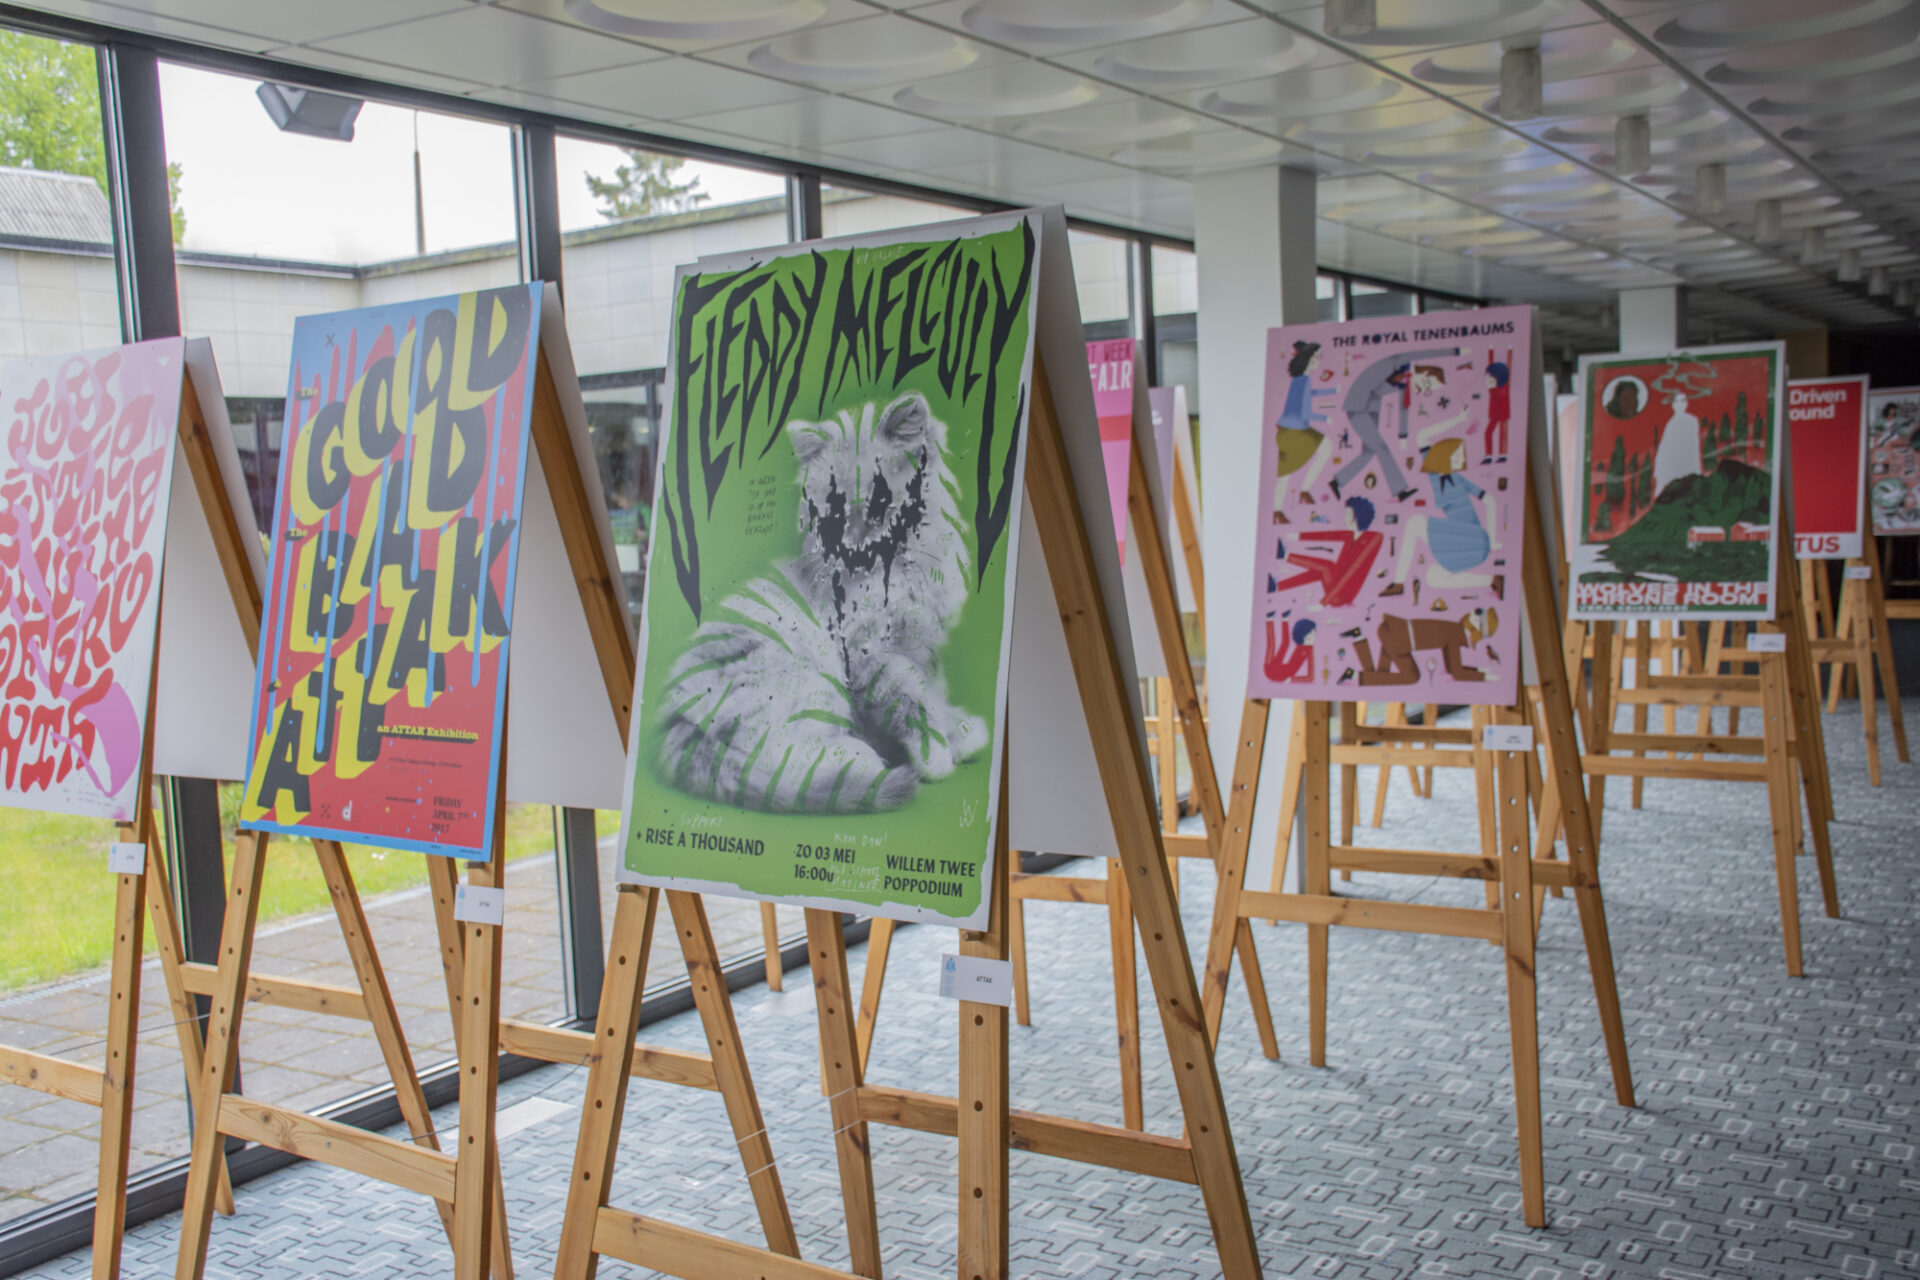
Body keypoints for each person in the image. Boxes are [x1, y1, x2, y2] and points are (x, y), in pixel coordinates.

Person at [1331, 346, 1460, 501]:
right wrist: (1454, 352)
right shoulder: (1399, 362)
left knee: (1368, 453)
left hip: (1371, 408)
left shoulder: (1405, 383)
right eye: (1427, 383)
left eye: (1428, 389)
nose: (1423, 388)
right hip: (1357, 405)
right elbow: (1423, 352)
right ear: (1425, 373)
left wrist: (1403, 435)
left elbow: (1403, 408)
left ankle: (1337, 481)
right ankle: (1399, 491)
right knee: (1382, 448)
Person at [1388, 438, 1494, 591]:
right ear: (1445, 455)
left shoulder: (1459, 479)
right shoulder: (1434, 476)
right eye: (1458, 455)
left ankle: (1398, 583)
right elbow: (1422, 436)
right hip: (1462, 544)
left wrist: (1492, 539)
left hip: (1474, 537)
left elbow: (1490, 501)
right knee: (1432, 577)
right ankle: (1492, 580)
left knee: (1414, 522)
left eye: (1462, 455)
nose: (1462, 460)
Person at [1272, 495, 1382, 609]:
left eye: (1348, 515)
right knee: (1320, 570)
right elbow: (1328, 535)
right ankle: (1277, 586)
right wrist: (1298, 536)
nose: (1344, 519)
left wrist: (1322, 604)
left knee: (1327, 567)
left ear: (1358, 517)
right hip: (1335, 581)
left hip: (1340, 596)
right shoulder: (1351, 534)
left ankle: (1285, 556)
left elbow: (1350, 573)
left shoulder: (1374, 539)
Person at [1271, 340, 1335, 518]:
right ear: (1308, 359)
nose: (1319, 360)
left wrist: (1332, 391)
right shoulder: (1303, 380)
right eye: (1316, 357)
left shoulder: (1299, 380)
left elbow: (1310, 394)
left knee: (1285, 472)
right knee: (1325, 447)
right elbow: (1305, 413)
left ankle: (1279, 509)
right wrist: (1325, 418)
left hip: (1287, 431)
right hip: (1295, 433)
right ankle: (1303, 491)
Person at [1651, 391, 1703, 494]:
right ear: (1673, 405)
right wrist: (1659, 466)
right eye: (1677, 401)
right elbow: (1664, 447)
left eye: (1683, 401)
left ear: (1686, 404)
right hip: (1671, 466)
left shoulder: (1692, 420)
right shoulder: (1671, 423)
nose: (1680, 404)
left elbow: (1694, 445)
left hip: (1686, 463)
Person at [1263, 616, 1314, 683]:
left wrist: (1291, 679)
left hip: (1280, 674)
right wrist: (1291, 679)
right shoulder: (1302, 647)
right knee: (1282, 644)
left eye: (1313, 634)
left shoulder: (1309, 649)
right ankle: (1281, 619)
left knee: (1279, 644)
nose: (1313, 637)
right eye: (1310, 634)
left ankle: (1275, 619)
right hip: (1274, 670)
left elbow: (1310, 677)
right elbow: (1310, 678)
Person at [1483, 355, 1511, 461]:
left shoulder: (1504, 389)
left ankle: (1502, 454)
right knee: (1488, 433)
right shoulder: (1492, 390)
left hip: (1502, 414)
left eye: (1490, 380)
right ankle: (1489, 455)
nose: (1487, 383)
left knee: (1502, 434)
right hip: (1494, 415)